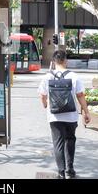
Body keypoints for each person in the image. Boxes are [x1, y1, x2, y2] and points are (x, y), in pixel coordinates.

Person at [38, 50, 91, 179]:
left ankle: (61, 172)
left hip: (54, 116)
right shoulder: (74, 76)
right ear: (65, 61)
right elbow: (80, 96)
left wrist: (45, 105)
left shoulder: (47, 77)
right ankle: (70, 169)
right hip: (71, 116)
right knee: (70, 140)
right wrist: (86, 112)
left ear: (53, 62)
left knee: (58, 143)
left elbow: (42, 95)